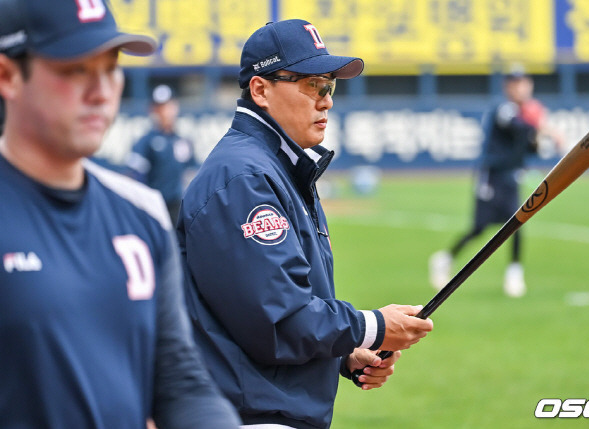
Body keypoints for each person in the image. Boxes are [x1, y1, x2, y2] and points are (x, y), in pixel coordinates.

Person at [177, 19, 434, 429]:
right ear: (260, 90)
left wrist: (343, 353)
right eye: (314, 85)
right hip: (252, 415)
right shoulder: (245, 178)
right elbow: (279, 321)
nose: (326, 100)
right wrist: (373, 326)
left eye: (330, 86)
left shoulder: (275, 167)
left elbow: (253, 314)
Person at [0, 0, 240, 427]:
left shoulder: (141, 214)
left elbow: (178, 381)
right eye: (75, 69)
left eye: (110, 68)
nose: (102, 92)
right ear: (8, 76)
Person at [429, 69, 562, 298]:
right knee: (479, 228)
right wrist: (545, 127)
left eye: (524, 83)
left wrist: (539, 136)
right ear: (507, 87)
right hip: (491, 177)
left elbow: (530, 146)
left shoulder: (524, 114)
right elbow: (517, 127)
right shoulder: (505, 109)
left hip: (511, 176)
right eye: (516, 83)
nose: (521, 88)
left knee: (517, 221)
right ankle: (445, 258)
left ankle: (514, 273)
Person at [126, 84, 198, 225]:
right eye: (159, 107)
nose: (164, 112)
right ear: (152, 110)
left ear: (175, 107)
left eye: (167, 106)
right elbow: (134, 176)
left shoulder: (182, 141)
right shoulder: (146, 141)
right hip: (153, 207)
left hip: (177, 207)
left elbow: (191, 174)